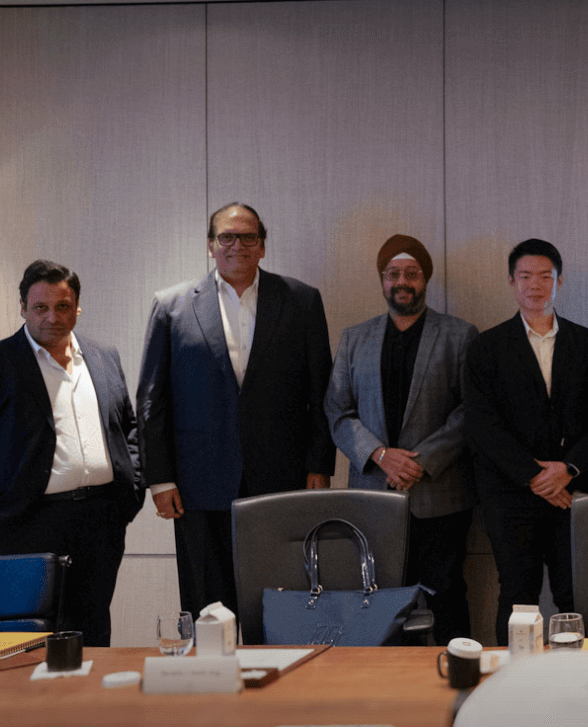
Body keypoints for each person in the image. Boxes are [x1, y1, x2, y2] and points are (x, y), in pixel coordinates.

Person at [138, 203, 333, 615]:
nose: (237, 245)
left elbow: (321, 391)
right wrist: (159, 478)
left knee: (280, 604)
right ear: (210, 245)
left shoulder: (301, 300)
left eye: (248, 237)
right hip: (197, 483)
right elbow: (153, 399)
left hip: (281, 479)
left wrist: (319, 464)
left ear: (262, 246)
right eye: (226, 237)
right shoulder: (172, 306)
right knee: (209, 608)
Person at [323, 235, 480, 643]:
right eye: (393, 273)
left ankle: (459, 673)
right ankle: (390, 679)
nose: (402, 281)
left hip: (440, 495)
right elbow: (337, 411)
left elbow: (471, 411)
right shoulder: (354, 338)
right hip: (374, 496)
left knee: (447, 595)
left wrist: (419, 462)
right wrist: (380, 455)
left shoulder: (460, 335)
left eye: (412, 273)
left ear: (425, 279)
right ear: (382, 280)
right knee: (382, 602)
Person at [463, 238, 588, 645]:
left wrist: (568, 470)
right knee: (517, 597)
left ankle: (578, 677)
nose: (535, 285)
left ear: (559, 281)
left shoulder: (587, 343)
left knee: (574, 595)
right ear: (512, 282)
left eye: (545, 276)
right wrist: (535, 477)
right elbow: (482, 425)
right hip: (510, 496)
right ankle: (512, 680)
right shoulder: (486, 347)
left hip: (572, 493)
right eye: (525, 276)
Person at [0, 261, 143, 645]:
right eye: (40, 307)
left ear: (77, 307)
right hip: (30, 521)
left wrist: (132, 488)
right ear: (22, 307)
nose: (52, 317)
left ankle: (91, 687)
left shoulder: (103, 355)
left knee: (93, 630)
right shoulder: (4, 361)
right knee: (30, 639)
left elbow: (128, 426)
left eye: (62, 306)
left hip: (101, 519)